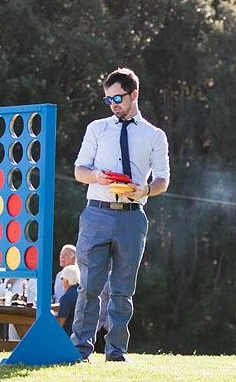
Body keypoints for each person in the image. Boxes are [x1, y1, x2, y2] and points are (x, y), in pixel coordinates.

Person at [71, 67, 169, 362]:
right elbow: (79, 171)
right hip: (96, 214)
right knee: (89, 286)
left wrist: (146, 191)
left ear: (134, 95)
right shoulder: (96, 129)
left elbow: (163, 179)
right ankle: (80, 349)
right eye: (108, 99)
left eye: (118, 97)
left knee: (122, 290)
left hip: (131, 216)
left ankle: (116, 352)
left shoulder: (155, 135)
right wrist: (97, 176)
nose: (113, 104)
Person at [55, 264, 80, 336]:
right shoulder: (83, 293)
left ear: (67, 280)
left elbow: (60, 323)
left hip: (69, 338)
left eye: (62, 278)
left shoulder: (66, 298)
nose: (61, 281)